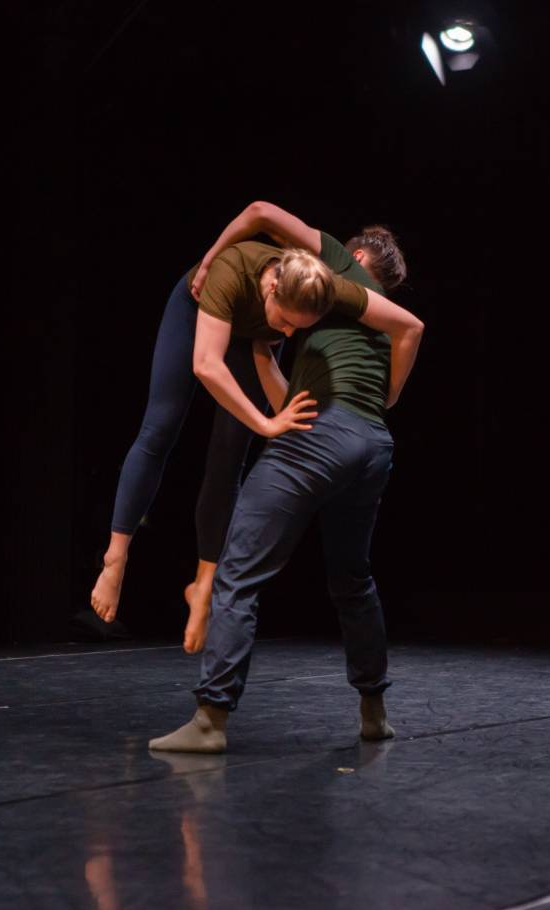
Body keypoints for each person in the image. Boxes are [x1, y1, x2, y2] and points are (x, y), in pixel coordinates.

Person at [148, 220, 424, 754]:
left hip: (324, 436)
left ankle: (210, 719)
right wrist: (264, 351)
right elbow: (290, 399)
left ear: (359, 261)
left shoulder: (337, 280)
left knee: (238, 569)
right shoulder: (359, 322)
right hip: (371, 444)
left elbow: (263, 212)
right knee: (353, 578)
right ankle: (374, 710)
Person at [90, 204, 410, 657]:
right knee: (161, 427)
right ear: (275, 286)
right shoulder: (230, 273)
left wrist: (286, 420)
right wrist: (265, 421)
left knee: (231, 455)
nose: (285, 331)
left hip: (248, 336)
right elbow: (205, 365)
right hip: (198, 307)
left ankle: (203, 585)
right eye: (283, 322)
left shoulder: (318, 290)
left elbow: (271, 360)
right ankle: (116, 555)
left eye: (294, 329)